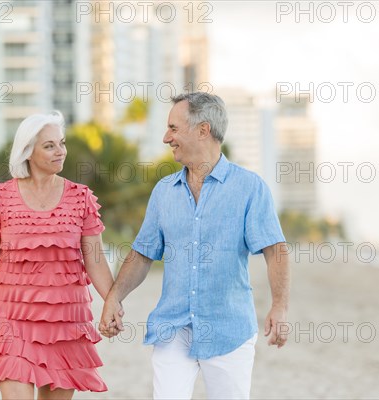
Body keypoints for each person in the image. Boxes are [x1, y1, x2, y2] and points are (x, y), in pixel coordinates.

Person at [99, 92, 290, 399]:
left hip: (229, 329)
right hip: (173, 327)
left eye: (174, 128)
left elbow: (275, 250)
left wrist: (279, 307)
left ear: (203, 130)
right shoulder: (164, 192)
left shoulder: (249, 188)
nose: (166, 137)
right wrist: (114, 298)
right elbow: (143, 253)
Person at [0, 111, 114, 400]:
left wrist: (113, 302)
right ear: (27, 151)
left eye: (62, 143)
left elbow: (95, 260)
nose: (61, 151)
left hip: (66, 321)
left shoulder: (81, 198)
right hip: (12, 317)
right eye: (49, 145)